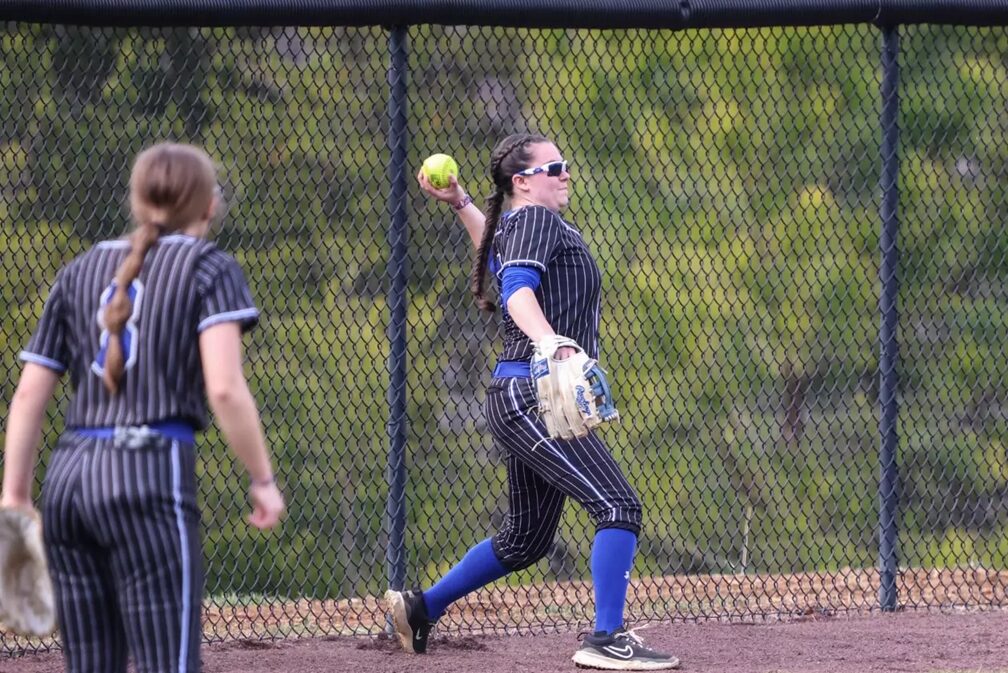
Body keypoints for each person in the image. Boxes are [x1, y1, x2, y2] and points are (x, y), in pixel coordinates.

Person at [386, 133, 679, 670]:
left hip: (520, 395)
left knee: (525, 540)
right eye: (555, 167)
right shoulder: (536, 222)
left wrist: (462, 204)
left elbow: (497, 258)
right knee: (618, 507)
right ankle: (605, 639)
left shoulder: (523, 224)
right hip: (531, 395)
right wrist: (553, 343)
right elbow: (516, 287)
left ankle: (421, 608)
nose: (566, 173)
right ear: (522, 182)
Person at [0, 142, 285, 673]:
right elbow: (224, 387)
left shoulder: (79, 270)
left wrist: (15, 495)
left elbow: (28, 394)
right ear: (207, 207)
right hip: (148, 476)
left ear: (136, 201)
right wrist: (262, 478)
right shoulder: (208, 266)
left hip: (69, 479)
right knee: (168, 663)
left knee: (90, 664)